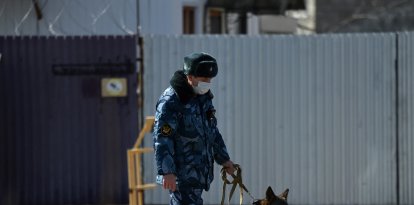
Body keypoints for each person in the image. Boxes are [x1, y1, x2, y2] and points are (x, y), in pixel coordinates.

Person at [153, 52, 235, 205]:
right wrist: (167, 171)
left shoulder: (202, 98)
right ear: (190, 77)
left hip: (198, 173)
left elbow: (212, 132)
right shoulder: (171, 101)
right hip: (181, 175)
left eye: (210, 79)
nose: (208, 82)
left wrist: (224, 159)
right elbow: (162, 138)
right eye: (204, 79)